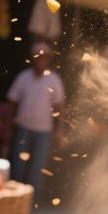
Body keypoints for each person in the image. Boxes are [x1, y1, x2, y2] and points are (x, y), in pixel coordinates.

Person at [6, 41, 65, 202]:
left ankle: (33, 203)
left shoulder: (54, 80)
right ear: (32, 59)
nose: (40, 60)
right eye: (37, 57)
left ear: (48, 59)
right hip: (23, 128)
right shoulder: (23, 77)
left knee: (37, 168)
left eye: (44, 57)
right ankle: (13, 201)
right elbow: (12, 103)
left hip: (44, 131)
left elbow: (60, 106)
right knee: (17, 166)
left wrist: (59, 129)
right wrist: (8, 127)